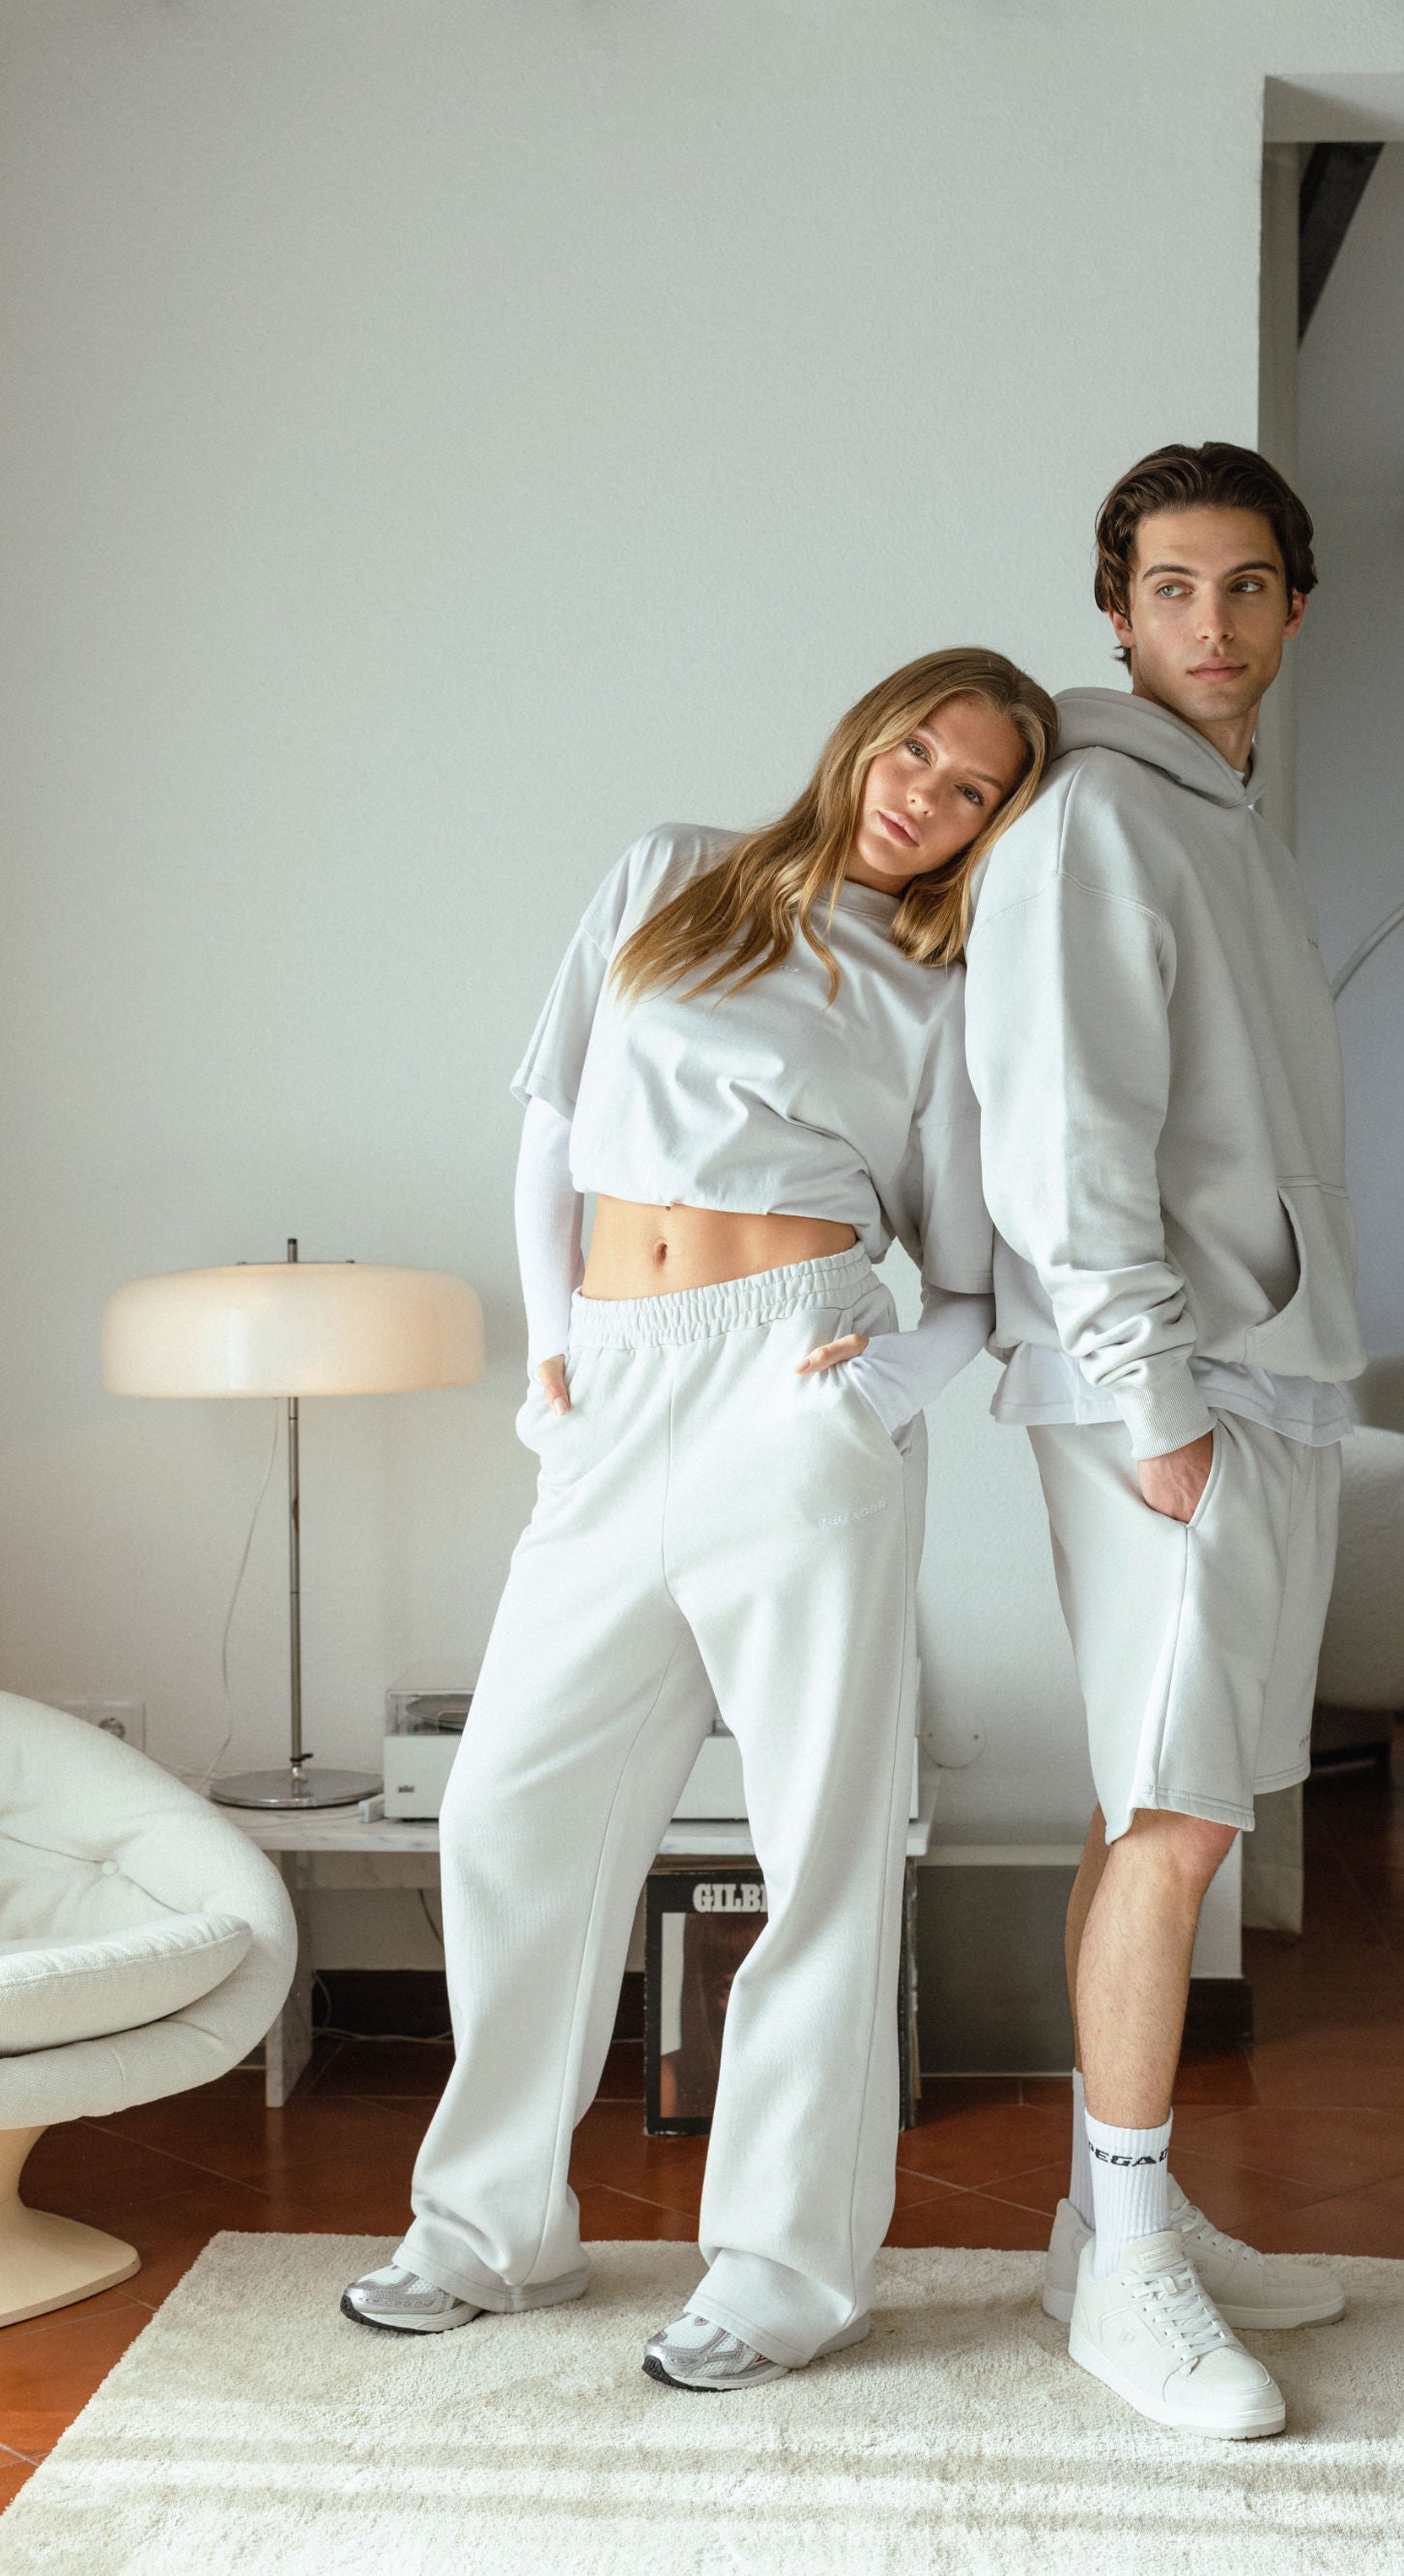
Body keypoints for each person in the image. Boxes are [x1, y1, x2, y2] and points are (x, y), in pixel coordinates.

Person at [341, 647, 1056, 2390]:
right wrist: (553, 1351)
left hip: (792, 1387)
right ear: (866, 734)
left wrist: (863, 1402)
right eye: (918, 749)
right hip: (615, 1386)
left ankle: (787, 2268)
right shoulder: (668, 872)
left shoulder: (946, 989)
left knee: (821, 1842)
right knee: (507, 1811)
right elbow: (553, 1128)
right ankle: (491, 2230)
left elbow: (970, 1287)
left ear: (992, 827)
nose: (927, 795)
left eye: (973, 789)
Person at [963, 444, 1366, 2440]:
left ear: (1295, 605)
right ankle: (1127, 2273)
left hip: (1251, 1370)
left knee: (1154, 1801)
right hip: (1173, 1389)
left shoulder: (1227, 825)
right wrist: (1151, 1397)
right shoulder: (1096, 816)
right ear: (1115, 611)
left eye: (1249, 585)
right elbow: (1061, 1139)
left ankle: (1101, 2221)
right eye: (1174, 588)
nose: (1214, 622)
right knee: (1180, 1822)